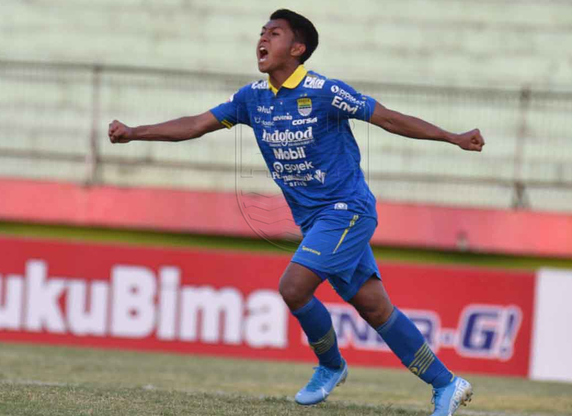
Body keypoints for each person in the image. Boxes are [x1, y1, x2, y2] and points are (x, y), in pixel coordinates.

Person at [108, 8, 483, 416]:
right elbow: (197, 123)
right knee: (375, 308)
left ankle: (330, 365)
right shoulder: (251, 99)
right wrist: (135, 132)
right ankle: (447, 383)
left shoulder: (325, 92)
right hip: (316, 222)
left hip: (348, 211)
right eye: (262, 32)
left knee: (293, 287)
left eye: (274, 33)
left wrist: (453, 137)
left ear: (297, 48)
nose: (262, 39)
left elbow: (388, 118)